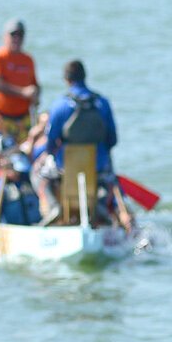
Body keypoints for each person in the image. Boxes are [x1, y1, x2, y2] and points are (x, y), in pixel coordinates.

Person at [43, 59, 118, 224]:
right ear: (85, 77)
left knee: (38, 173)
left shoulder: (59, 105)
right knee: (110, 175)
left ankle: (55, 206)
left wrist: (52, 153)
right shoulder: (102, 103)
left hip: (66, 167)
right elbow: (112, 139)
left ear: (66, 80)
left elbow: (49, 143)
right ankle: (101, 205)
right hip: (98, 166)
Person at [0, 20, 38, 141]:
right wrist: (23, 92)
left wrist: (36, 95)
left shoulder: (28, 59)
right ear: (5, 36)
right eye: (13, 35)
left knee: (24, 151)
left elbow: (34, 84)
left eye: (20, 35)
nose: (17, 38)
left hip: (22, 119)